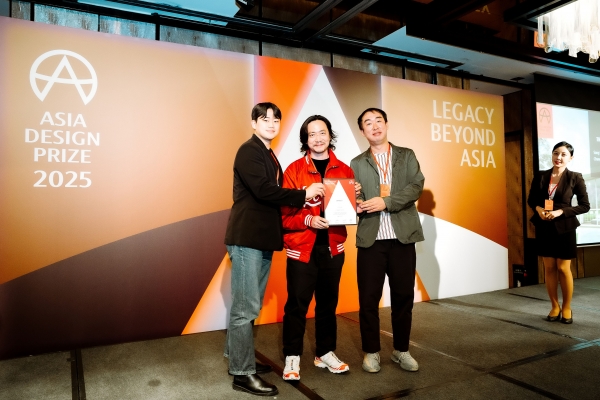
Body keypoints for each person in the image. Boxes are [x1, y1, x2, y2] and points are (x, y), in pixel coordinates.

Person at [224, 102, 325, 396]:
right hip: (247, 238)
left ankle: (237, 357)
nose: (271, 123)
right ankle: (242, 373)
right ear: (253, 123)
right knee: (246, 308)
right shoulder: (249, 151)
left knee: (249, 305)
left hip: (261, 239)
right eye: (264, 118)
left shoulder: (267, 153)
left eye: (276, 119)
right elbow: (263, 191)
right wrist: (302, 194)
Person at [280, 115, 358, 381]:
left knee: (328, 304)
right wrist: (309, 219)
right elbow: (283, 215)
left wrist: (355, 199)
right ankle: (292, 356)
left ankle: (324, 352)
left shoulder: (345, 170)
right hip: (302, 249)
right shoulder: (293, 170)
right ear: (305, 139)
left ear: (330, 135)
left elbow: (349, 211)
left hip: (333, 248)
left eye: (322, 132)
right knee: (296, 305)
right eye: (311, 134)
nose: (317, 138)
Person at [350, 107, 424, 374]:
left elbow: (416, 186)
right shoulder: (356, 163)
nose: (374, 126)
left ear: (386, 124)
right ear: (363, 131)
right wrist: (355, 199)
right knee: (368, 299)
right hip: (371, 239)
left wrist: (386, 202)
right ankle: (371, 352)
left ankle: (401, 350)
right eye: (368, 123)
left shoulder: (407, 155)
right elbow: (352, 199)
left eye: (378, 120)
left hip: (402, 238)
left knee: (403, 297)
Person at [527, 141, 589, 324]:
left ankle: (567, 307)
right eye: (556, 153)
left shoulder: (575, 177)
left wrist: (560, 212)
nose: (558, 157)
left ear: (570, 158)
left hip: (565, 227)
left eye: (563, 154)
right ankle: (554, 306)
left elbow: (585, 206)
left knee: (563, 268)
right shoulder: (541, 176)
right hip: (544, 226)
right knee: (549, 268)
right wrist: (539, 209)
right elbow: (531, 199)